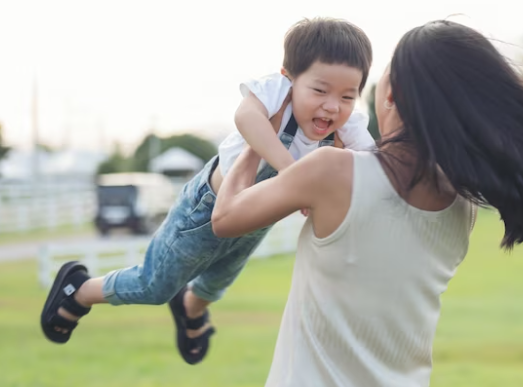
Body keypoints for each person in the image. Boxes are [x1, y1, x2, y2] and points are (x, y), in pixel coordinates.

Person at [210, 19, 523, 387]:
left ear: (390, 93)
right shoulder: (463, 205)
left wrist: (258, 140)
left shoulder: (332, 171)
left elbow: (224, 219)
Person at [39, 17, 375, 365]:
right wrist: (293, 174)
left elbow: (372, 162)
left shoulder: (347, 123)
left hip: (255, 219)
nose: (333, 105)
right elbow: (247, 118)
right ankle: (77, 290)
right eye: (320, 90)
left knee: (216, 284)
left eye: (347, 96)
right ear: (289, 78)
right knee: (154, 285)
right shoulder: (278, 94)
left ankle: (190, 310)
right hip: (206, 208)